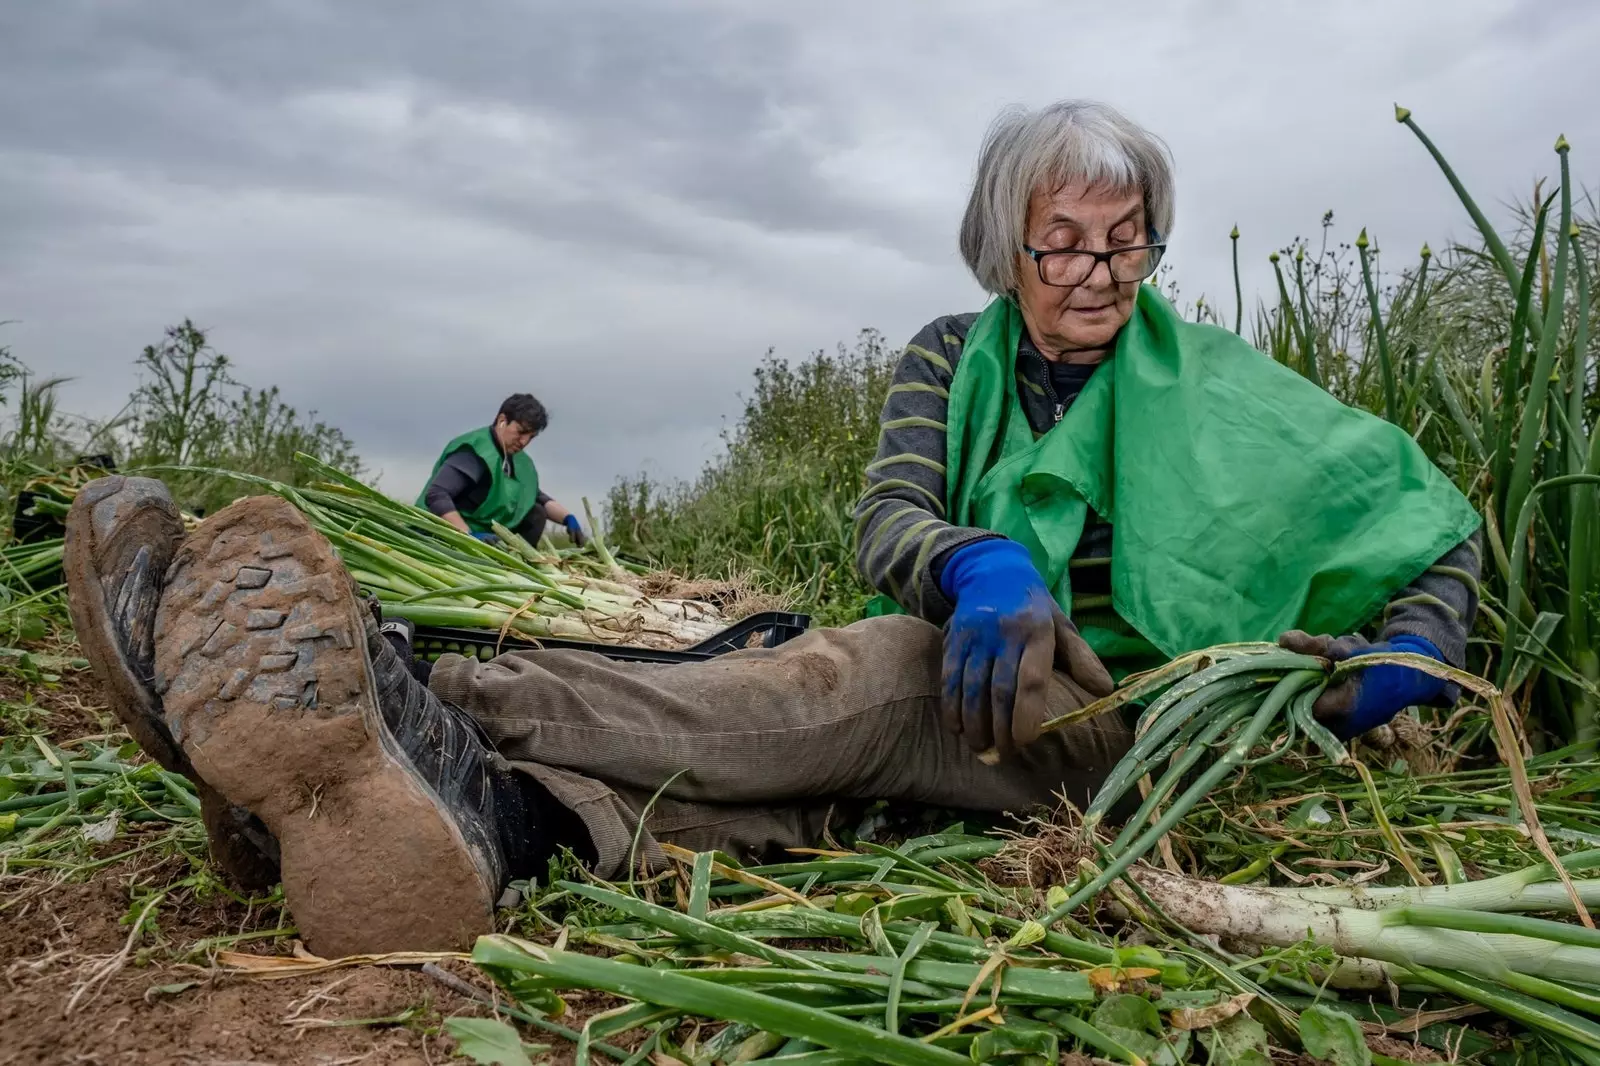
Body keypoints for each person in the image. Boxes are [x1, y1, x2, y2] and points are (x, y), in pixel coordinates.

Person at [64, 99, 1480, 959]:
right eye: (1064, 240)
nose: (1098, 273)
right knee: (789, 779)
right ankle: (469, 824)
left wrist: (1415, 650)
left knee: (862, 682)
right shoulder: (949, 356)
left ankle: (410, 697)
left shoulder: (1225, 391)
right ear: (1006, 244)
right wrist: (975, 560)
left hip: (1137, 734)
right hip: (988, 660)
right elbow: (889, 517)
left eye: (1127, 243)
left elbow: (1427, 524)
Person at [419, 393, 586, 547]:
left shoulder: (518, 460)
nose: (523, 442)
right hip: (444, 534)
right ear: (502, 420)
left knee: (536, 512)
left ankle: (521, 565)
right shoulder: (475, 451)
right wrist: (468, 535)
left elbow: (534, 496)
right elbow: (437, 494)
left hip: (485, 536)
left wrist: (568, 519)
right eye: (521, 432)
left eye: (531, 437)